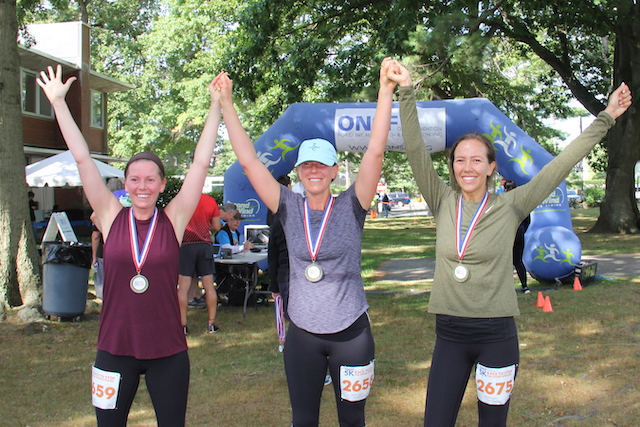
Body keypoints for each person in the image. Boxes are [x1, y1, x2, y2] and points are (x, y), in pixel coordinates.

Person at [387, 59, 631, 426]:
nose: (467, 167)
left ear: (491, 167)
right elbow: (415, 147)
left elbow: (561, 164)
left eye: (476, 160)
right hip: (450, 336)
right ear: (452, 166)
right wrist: (406, 91)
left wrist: (607, 117)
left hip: (496, 335)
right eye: (459, 160)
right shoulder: (441, 200)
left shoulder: (512, 206)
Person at [37, 64, 222, 427]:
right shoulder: (109, 214)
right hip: (113, 350)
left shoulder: (173, 220)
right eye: (134, 179)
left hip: (167, 351)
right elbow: (82, 158)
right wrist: (59, 103)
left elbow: (201, 162)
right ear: (125, 183)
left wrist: (216, 106)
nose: (142, 186)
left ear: (161, 184)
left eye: (150, 180)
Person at [217, 57, 396, 427]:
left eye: (321, 165)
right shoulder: (287, 205)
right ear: (298, 171)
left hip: (352, 333)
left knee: (352, 419)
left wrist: (385, 91)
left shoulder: (353, 204)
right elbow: (249, 163)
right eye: (306, 165)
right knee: (303, 419)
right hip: (302, 335)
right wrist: (227, 105)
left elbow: (375, 152)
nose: (313, 170)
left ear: (333, 171)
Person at [178, 193, 222, 335]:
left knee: (183, 288)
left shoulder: (181, 199)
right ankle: (211, 323)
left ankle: (183, 325)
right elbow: (217, 227)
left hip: (186, 246)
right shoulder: (210, 201)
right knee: (209, 287)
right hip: (204, 246)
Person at [267, 174, 292, 318]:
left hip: (288, 275)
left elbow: (272, 256)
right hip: (291, 274)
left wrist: (274, 286)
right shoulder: (300, 212)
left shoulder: (274, 214)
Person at [504, 180, 531, 294]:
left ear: (505, 190)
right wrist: (523, 230)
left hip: (508, 233)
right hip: (519, 232)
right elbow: (528, 219)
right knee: (518, 261)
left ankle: (507, 288)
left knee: (506, 261)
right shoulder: (522, 203)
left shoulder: (503, 203)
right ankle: (525, 287)